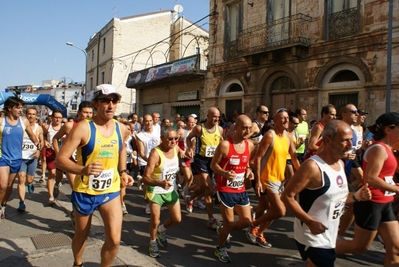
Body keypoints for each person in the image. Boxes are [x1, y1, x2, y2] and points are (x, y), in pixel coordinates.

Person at [55, 84, 133, 267]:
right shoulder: (83, 128)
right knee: (81, 234)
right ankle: (78, 263)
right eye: (105, 101)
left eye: (114, 101)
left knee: (114, 239)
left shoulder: (121, 128)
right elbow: (61, 160)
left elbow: (121, 148)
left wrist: (123, 172)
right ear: (95, 103)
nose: (111, 105)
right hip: (85, 190)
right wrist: (83, 170)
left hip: (111, 190)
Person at [281, 120, 371, 267]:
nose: (350, 145)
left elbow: (337, 198)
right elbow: (287, 196)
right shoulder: (312, 167)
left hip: (330, 235)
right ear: (328, 141)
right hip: (312, 237)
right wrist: (310, 222)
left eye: (351, 140)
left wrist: (356, 196)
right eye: (345, 141)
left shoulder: (340, 164)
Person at [336, 112, 399, 266]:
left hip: (386, 203)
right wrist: (396, 189)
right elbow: (370, 178)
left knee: (395, 248)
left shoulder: (389, 148)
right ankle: (318, 247)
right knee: (358, 247)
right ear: (388, 129)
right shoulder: (379, 149)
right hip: (371, 202)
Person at [247, 108, 300, 248]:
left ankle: (257, 231)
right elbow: (258, 158)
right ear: (275, 121)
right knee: (280, 210)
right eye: (282, 118)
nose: (286, 120)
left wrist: (304, 175)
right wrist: (257, 181)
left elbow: (294, 158)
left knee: (269, 208)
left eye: (287, 117)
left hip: (279, 179)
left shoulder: (288, 137)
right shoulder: (270, 135)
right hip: (267, 178)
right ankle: (254, 226)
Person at [210, 115, 255, 263]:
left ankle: (223, 230)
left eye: (249, 128)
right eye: (244, 127)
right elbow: (213, 165)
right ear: (236, 127)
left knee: (247, 222)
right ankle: (220, 247)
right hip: (225, 188)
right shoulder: (225, 145)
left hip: (240, 189)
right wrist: (224, 173)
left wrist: (249, 170)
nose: (247, 130)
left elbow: (247, 163)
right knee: (229, 223)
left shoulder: (250, 145)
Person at [142, 126, 183, 258]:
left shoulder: (175, 148)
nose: (174, 141)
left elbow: (180, 159)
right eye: (170, 139)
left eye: (176, 138)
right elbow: (145, 177)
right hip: (156, 190)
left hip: (170, 189)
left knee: (177, 219)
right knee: (155, 220)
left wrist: (181, 173)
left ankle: (161, 230)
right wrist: (160, 182)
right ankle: (152, 242)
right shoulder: (155, 153)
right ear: (162, 139)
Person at [52, 101, 93, 226]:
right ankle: (75, 214)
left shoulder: (93, 126)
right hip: (71, 162)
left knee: (86, 191)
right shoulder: (70, 125)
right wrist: (59, 155)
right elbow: (55, 138)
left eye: (91, 113)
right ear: (79, 112)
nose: (88, 115)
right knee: (76, 188)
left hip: (85, 164)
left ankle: (76, 211)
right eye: (85, 112)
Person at [0, 100, 41, 219]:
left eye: (21, 108)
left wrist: (37, 143)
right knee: (2, 185)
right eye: (18, 108)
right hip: (3, 157)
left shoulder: (23, 121)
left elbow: (31, 134)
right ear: (9, 108)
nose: (20, 110)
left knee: (8, 185)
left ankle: (4, 205)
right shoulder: (1, 121)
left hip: (17, 158)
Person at [185, 107, 224, 229]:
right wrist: (190, 148)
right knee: (209, 188)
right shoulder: (199, 128)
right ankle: (211, 218)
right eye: (214, 116)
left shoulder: (220, 129)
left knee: (202, 187)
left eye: (218, 116)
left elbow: (222, 141)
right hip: (201, 160)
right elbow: (188, 138)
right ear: (208, 116)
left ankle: (190, 198)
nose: (216, 119)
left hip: (214, 161)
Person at [16, 107, 44, 212]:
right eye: (29, 114)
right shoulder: (20, 126)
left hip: (32, 157)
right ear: (25, 114)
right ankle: (22, 202)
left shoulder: (39, 128)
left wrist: (39, 151)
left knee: (29, 179)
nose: (31, 116)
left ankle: (31, 184)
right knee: (21, 178)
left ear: (36, 116)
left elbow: (42, 142)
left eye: (33, 114)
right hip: (21, 156)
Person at [136, 114, 161, 214]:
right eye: (146, 121)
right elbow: (141, 153)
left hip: (158, 161)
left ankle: (140, 180)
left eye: (150, 121)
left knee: (156, 182)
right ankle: (147, 203)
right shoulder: (140, 136)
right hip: (145, 162)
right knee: (148, 183)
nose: (149, 123)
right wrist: (150, 161)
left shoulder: (157, 130)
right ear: (143, 122)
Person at [42, 109, 63, 205]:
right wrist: (45, 142)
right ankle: (50, 197)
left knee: (59, 175)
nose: (58, 119)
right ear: (52, 118)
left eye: (59, 117)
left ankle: (57, 185)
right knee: (51, 173)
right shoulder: (47, 127)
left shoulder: (65, 127)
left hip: (62, 153)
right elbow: (42, 136)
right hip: (51, 152)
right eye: (56, 117)